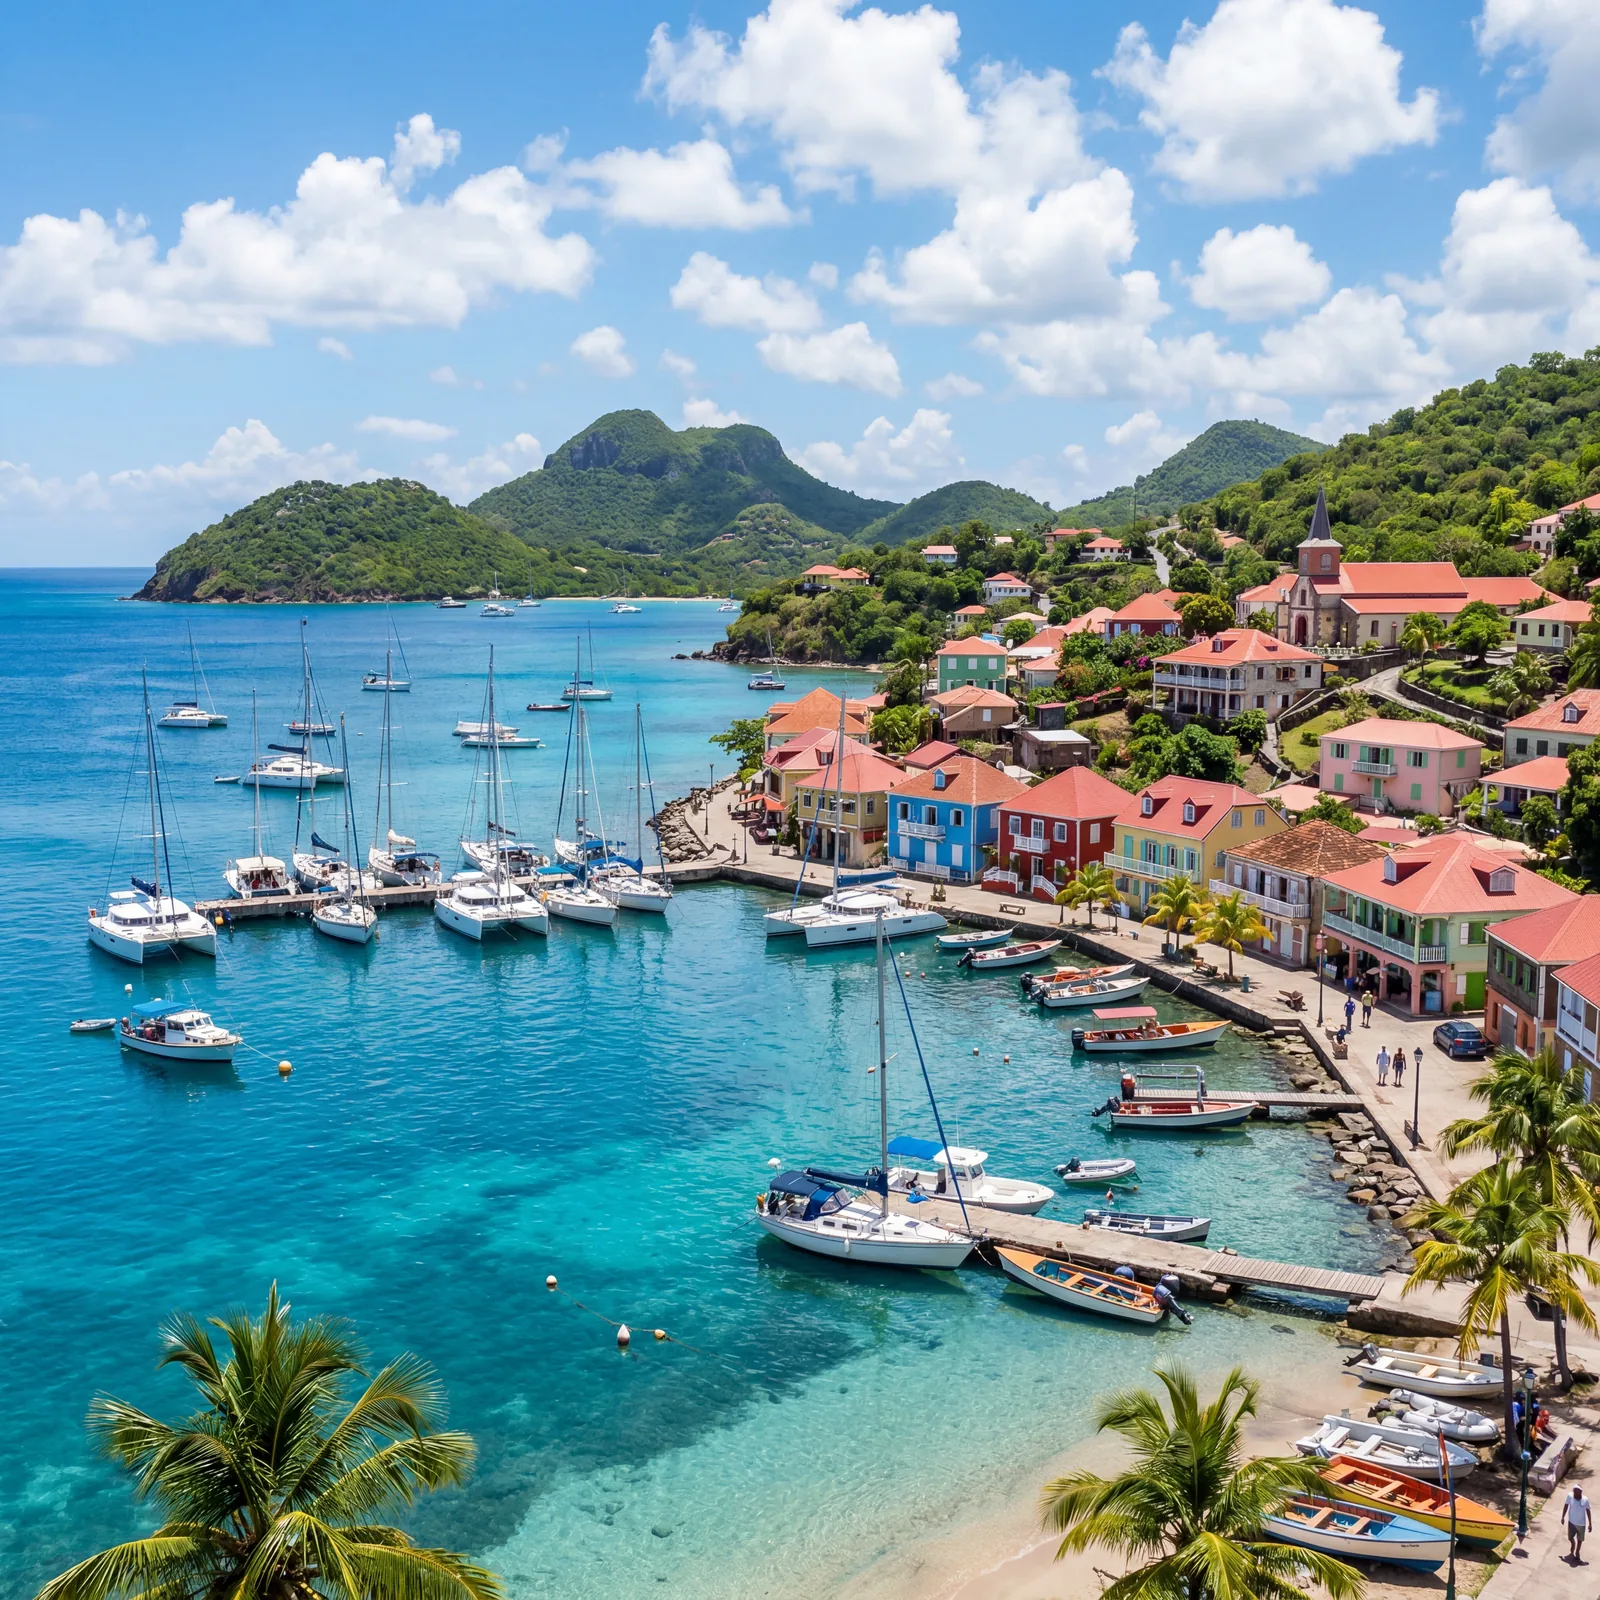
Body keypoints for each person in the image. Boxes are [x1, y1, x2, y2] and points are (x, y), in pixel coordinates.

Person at [1564, 1483, 1592, 1561]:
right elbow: (1566, 1505)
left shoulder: (1585, 1499)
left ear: (1580, 1491)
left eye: (1576, 1491)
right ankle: (1573, 1544)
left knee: (1580, 1540)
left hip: (1581, 1524)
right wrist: (1563, 1517)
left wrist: (1590, 1524)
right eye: (1574, 1491)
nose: (1574, 1493)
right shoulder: (1570, 1496)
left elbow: (1588, 1511)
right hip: (1571, 1522)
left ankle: (1577, 1552)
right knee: (1570, 1538)